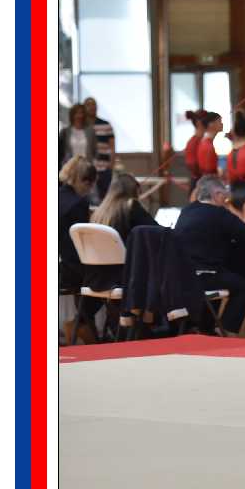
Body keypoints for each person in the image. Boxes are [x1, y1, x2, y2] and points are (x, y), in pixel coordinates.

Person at [174, 175, 245, 335]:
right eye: (224, 196)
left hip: (182, 276)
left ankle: (206, 328)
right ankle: (225, 331)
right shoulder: (219, 213)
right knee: (244, 287)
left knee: (220, 276)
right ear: (217, 195)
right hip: (205, 275)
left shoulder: (186, 211)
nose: (225, 200)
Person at [88, 172, 160, 295]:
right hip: (124, 276)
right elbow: (156, 231)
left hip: (97, 277)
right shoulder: (131, 206)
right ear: (134, 190)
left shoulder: (99, 212)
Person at [59, 156, 99, 341]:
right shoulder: (78, 203)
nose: (88, 191)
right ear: (85, 181)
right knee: (110, 277)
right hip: (69, 270)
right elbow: (81, 244)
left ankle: (81, 324)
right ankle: (80, 324)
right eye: (90, 186)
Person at [83, 97, 115, 201]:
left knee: (105, 197)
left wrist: (111, 164)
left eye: (93, 104)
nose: (91, 107)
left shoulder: (106, 125)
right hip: (86, 168)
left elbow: (112, 146)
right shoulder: (81, 126)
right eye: (88, 105)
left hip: (104, 167)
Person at [59, 103, 95, 169]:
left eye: (81, 113)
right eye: (76, 113)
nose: (79, 116)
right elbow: (60, 151)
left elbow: (94, 150)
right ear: (72, 115)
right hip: (69, 168)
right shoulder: (65, 131)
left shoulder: (90, 131)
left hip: (87, 167)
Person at [182, 109, 207, 191]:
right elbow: (192, 164)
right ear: (199, 123)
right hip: (199, 184)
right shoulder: (194, 142)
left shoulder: (203, 141)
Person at [196, 112, 223, 179]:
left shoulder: (207, 142)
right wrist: (219, 172)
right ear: (211, 124)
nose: (222, 124)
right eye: (219, 121)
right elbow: (208, 170)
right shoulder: (207, 145)